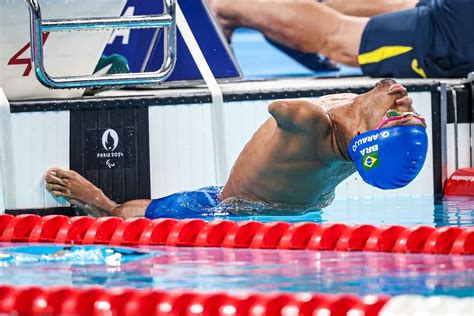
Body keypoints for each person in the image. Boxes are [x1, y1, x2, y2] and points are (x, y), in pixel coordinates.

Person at [45, 79, 427, 219]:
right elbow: (280, 110)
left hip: (265, 218)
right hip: (253, 213)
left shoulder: (333, 127)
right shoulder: (330, 128)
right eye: (409, 114)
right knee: (147, 211)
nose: (406, 104)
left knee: (142, 214)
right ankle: (106, 206)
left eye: (401, 113)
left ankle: (105, 206)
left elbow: (281, 110)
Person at [209, 0, 474, 78]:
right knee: (341, 38)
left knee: (409, 8)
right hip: (461, 34)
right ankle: (230, 9)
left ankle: (296, 9)